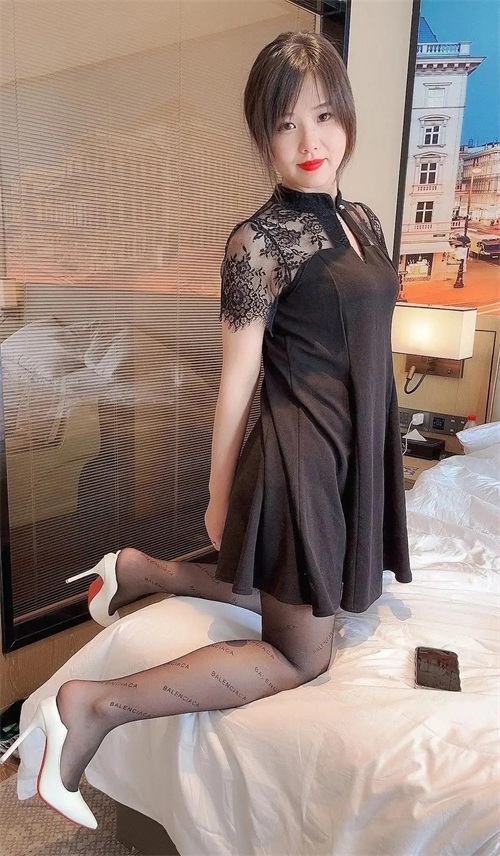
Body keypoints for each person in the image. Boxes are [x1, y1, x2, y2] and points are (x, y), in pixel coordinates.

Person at [0, 31, 412, 829]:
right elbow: (237, 379)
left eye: (325, 116)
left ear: (347, 118)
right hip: (295, 456)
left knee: (304, 586)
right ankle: (89, 709)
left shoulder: (362, 220)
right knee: (301, 652)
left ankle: (140, 571)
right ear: (263, 137)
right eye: (286, 123)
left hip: (349, 450)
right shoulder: (259, 241)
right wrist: (221, 497)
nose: (310, 139)